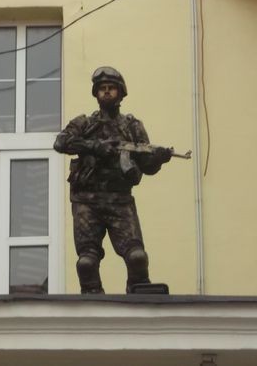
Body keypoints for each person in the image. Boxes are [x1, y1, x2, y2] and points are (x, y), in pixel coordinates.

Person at [54, 66, 172, 294]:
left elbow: (146, 166)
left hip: (120, 200)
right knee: (86, 262)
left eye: (111, 88)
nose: (106, 92)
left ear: (121, 93)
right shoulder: (84, 124)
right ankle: (92, 299)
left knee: (137, 257)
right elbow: (60, 142)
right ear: (96, 94)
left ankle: (139, 293)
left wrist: (159, 159)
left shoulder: (132, 127)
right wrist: (94, 147)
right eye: (102, 88)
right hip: (87, 202)